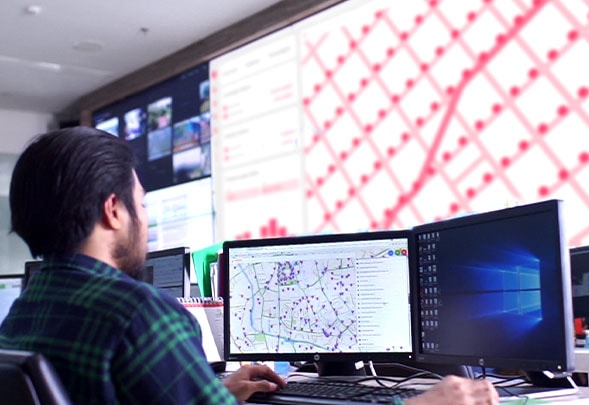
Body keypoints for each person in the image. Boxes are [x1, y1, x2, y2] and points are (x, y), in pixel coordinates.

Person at [0, 127, 499, 404]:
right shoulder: (138, 314)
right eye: (143, 205)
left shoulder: (22, 315)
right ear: (113, 211)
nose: (145, 222)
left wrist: (212, 393)